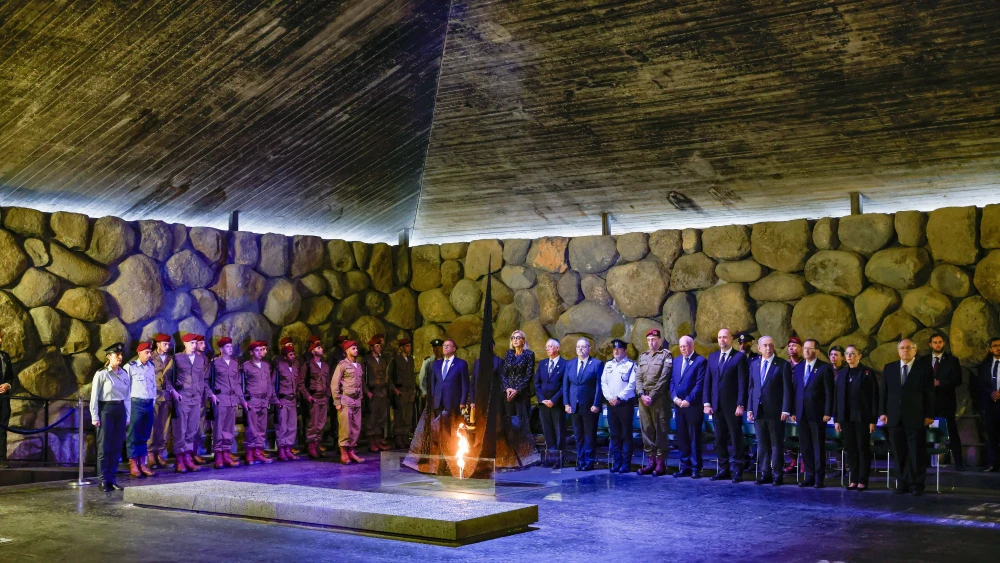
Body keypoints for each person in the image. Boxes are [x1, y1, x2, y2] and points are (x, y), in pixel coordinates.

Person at [879, 339, 935, 495]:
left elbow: (930, 394)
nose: (905, 351)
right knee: (899, 452)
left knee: (916, 452)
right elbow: (884, 392)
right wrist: (882, 412)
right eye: (902, 348)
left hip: (916, 417)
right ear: (898, 351)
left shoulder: (924, 368)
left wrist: (929, 415)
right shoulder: (889, 368)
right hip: (894, 417)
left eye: (909, 348)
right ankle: (902, 483)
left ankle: (916, 484)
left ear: (915, 351)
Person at [704, 328, 749, 483]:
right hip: (716, 406)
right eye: (719, 337)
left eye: (725, 337)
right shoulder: (713, 357)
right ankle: (724, 469)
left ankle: (737, 470)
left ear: (731, 339)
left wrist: (741, 404)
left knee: (736, 438)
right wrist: (706, 402)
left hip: (733, 406)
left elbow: (743, 383)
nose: (722, 340)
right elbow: (707, 381)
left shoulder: (739, 357)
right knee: (719, 439)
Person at [747, 336, 791, 486]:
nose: (768, 348)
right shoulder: (754, 364)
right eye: (765, 345)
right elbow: (751, 388)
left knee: (776, 444)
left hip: (776, 411)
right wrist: (749, 408)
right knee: (762, 444)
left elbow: (787, 389)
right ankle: (765, 473)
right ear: (759, 348)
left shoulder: (782, 365)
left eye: (770, 345)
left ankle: (777, 474)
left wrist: (786, 409)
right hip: (758, 411)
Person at [791, 339, 834, 488]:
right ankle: (809, 475)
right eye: (805, 348)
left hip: (818, 413)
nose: (807, 351)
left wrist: (828, 411)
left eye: (810, 348)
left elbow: (829, 392)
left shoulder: (824, 368)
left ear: (816, 351)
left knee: (818, 446)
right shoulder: (798, 368)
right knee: (806, 446)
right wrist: (793, 411)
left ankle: (819, 477)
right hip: (801, 413)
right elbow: (794, 390)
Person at [834, 345, 878, 490]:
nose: (849, 356)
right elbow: (837, 397)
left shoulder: (867, 373)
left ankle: (862, 480)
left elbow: (874, 397)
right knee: (850, 448)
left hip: (862, 417)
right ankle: (853, 479)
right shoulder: (842, 374)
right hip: (846, 418)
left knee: (862, 448)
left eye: (853, 353)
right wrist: (837, 419)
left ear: (859, 356)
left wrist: (873, 419)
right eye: (847, 354)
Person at [167, 333, 211, 473]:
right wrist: (173, 392)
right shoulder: (177, 358)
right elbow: (166, 377)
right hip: (182, 398)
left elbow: (202, 379)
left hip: (195, 399)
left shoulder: (200, 359)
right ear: (185, 344)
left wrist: (202, 393)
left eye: (195, 343)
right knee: (180, 430)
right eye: (191, 343)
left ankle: (187, 458)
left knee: (192, 429)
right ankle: (180, 460)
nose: (194, 346)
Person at [90, 343, 131, 492]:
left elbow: (127, 397)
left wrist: (128, 415)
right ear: (109, 356)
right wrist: (95, 415)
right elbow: (94, 397)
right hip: (106, 410)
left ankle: (112, 479)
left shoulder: (124, 374)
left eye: (121, 354)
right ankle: (102, 479)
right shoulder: (101, 374)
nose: (120, 357)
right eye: (117, 355)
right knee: (104, 447)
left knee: (116, 446)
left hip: (119, 410)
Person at [635, 329, 673, 477]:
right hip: (643, 399)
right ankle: (650, 462)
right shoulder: (643, 356)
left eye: (654, 339)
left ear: (660, 340)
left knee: (660, 431)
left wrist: (651, 396)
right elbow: (638, 378)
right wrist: (641, 394)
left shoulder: (666, 355)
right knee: (647, 430)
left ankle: (660, 463)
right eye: (649, 340)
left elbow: (664, 378)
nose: (651, 342)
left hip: (659, 399)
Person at [924, 333, 965, 470]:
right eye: (935, 342)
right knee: (925, 430)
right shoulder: (923, 360)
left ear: (944, 343)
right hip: (928, 402)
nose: (937, 344)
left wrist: (940, 383)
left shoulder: (952, 360)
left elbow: (958, 380)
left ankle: (959, 463)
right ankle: (924, 462)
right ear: (930, 344)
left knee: (952, 431)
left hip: (946, 401)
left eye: (940, 342)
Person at [564, 338, 603, 471]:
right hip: (574, 406)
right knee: (578, 435)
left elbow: (599, 386)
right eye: (578, 347)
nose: (580, 349)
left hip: (590, 406)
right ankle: (580, 460)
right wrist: (566, 403)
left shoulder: (597, 364)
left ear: (589, 348)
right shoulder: (570, 364)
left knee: (589, 435)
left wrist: (597, 403)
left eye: (584, 347)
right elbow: (566, 386)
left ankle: (589, 461)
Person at [671, 335, 707, 479]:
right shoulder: (677, 360)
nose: (682, 349)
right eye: (680, 346)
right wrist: (674, 398)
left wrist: (688, 400)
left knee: (694, 438)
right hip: (678, 406)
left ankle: (696, 467)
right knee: (682, 437)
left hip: (693, 407)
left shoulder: (700, 361)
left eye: (685, 346)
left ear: (692, 346)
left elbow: (699, 384)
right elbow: (672, 382)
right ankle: (684, 466)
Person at [601, 339, 636, 474]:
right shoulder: (608, 365)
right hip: (611, 404)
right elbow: (603, 382)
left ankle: (626, 463)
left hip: (624, 404)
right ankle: (617, 462)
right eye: (614, 349)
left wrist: (619, 397)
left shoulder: (631, 365)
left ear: (625, 351)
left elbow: (632, 384)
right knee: (614, 434)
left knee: (626, 434)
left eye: (619, 349)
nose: (616, 351)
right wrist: (610, 397)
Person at [209, 337, 243, 469]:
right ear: (221, 349)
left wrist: (242, 400)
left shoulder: (235, 364)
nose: (230, 348)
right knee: (219, 428)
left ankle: (226, 453)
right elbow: (206, 380)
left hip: (232, 399)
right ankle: (218, 455)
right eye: (227, 347)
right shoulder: (215, 364)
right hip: (220, 398)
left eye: (231, 346)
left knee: (229, 428)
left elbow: (237, 383)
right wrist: (211, 395)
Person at [124, 342, 156, 478]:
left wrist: (153, 401)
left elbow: (153, 385)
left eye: (150, 352)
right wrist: (127, 410)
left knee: (144, 435)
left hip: (148, 403)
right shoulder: (130, 367)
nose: (149, 355)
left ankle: (142, 463)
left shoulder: (151, 367)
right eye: (146, 352)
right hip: (136, 403)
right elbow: (125, 389)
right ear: (139, 353)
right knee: (133, 435)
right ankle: (133, 463)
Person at [430, 339, 470, 448]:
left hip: (453, 402)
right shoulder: (437, 364)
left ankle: (452, 449)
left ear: (454, 349)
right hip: (439, 401)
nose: (445, 347)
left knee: (452, 428)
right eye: (444, 346)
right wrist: (434, 396)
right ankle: (441, 451)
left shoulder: (461, 364)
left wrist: (463, 401)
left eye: (448, 345)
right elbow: (434, 382)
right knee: (439, 427)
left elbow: (465, 384)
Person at [332, 340, 366, 464]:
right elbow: (334, 384)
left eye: (356, 348)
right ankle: (344, 452)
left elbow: (360, 383)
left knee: (356, 427)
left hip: (356, 400)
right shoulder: (342, 365)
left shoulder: (359, 365)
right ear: (346, 351)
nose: (356, 350)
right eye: (353, 348)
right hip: (346, 400)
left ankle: (351, 451)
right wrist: (337, 401)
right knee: (345, 428)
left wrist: (361, 397)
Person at [535, 339, 567, 467]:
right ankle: (550, 458)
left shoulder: (565, 364)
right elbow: (537, 383)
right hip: (544, 404)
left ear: (557, 348)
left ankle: (559, 459)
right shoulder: (542, 363)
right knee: (547, 431)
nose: (547, 349)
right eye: (546, 346)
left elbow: (564, 385)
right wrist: (542, 399)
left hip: (557, 404)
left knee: (559, 431)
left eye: (550, 346)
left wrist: (553, 400)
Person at [242, 340, 275, 466]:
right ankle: (250, 452)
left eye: (261, 350)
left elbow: (269, 384)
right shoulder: (246, 366)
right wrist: (244, 400)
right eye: (257, 350)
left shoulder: (266, 365)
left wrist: (268, 399)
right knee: (251, 428)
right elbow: (242, 383)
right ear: (251, 352)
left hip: (263, 400)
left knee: (262, 427)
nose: (260, 352)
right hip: (252, 399)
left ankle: (258, 451)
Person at [299, 337, 332, 459]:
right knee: (312, 424)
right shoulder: (307, 365)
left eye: (321, 347)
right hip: (314, 397)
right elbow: (301, 383)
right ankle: (311, 446)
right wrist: (308, 396)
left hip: (323, 398)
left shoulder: (325, 366)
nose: (321, 349)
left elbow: (328, 381)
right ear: (313, 351)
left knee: (321, 423)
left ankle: (317, 444)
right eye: (318, 347)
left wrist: (328, 394)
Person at [148, 333, 173, 468]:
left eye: (168, 344)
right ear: (157, 344)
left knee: (164, 425)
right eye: (165, 344)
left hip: (167, 395)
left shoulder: (170, 359)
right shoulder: (150, 357)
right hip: (154, 395)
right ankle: (150, 453)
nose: (167, 346)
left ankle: (160, 453)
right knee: (153, 425)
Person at [501, 330, 534, 432]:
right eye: (513, 338)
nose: (515, 340)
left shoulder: (529, 354)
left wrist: (517, 390)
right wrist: (507, 388)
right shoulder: (509, 354)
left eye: (518, 337)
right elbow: (504, 373)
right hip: (509, 393)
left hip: (521, 393)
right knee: (509, 419)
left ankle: (524, 445)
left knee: (522, 421)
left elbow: (528, 375)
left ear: (523, 341)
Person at [273, 343, 300, 461]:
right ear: (285, 356)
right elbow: (272, 383)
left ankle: (288, 448)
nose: (293, 356)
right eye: (290, 354)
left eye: (294, 354)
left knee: (292, 426)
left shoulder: (294, 368)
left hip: (292, 400)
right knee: (282, 426)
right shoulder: (279, 367)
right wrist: (275, 400)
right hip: (283, 399)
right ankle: (281, 449)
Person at [976, 337, 1000, 472]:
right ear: (991, 349)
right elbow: (981, 383)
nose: (998, 348)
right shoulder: (985, 365)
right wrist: (991, 392)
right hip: (991, 405)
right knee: (991, 435)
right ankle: (993, 463)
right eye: (995, 346)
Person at [363, 334, 391, 452]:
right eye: (377, 345)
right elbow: (362, 378)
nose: (379, 347)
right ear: (371, 347)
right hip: (372, 392)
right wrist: (366, 391)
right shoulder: (367, 360)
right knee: (372, 418)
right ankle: (371, 441)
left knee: (381, 417)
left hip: (382, 391)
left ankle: (378, 440)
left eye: (380, 345)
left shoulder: (383, 359)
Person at [391, 338, 416, 449]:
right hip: (400, 391)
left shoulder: (410, 360)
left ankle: (405, 436)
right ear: (401, 348)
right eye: (406, 346)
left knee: (408, 416)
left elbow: (412, 376)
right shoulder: (395, 360)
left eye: (409, 346)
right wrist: (394, 390)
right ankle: (398, 438)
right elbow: (390, 377)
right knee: (399, 416)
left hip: (409, 391)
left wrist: (413, 391)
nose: (409, 348)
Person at [0, 331, 15, 469]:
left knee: (2, 428)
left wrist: (7, 385)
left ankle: (2, 458)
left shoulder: (5, 356)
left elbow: (10, 376)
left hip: (3, 399)